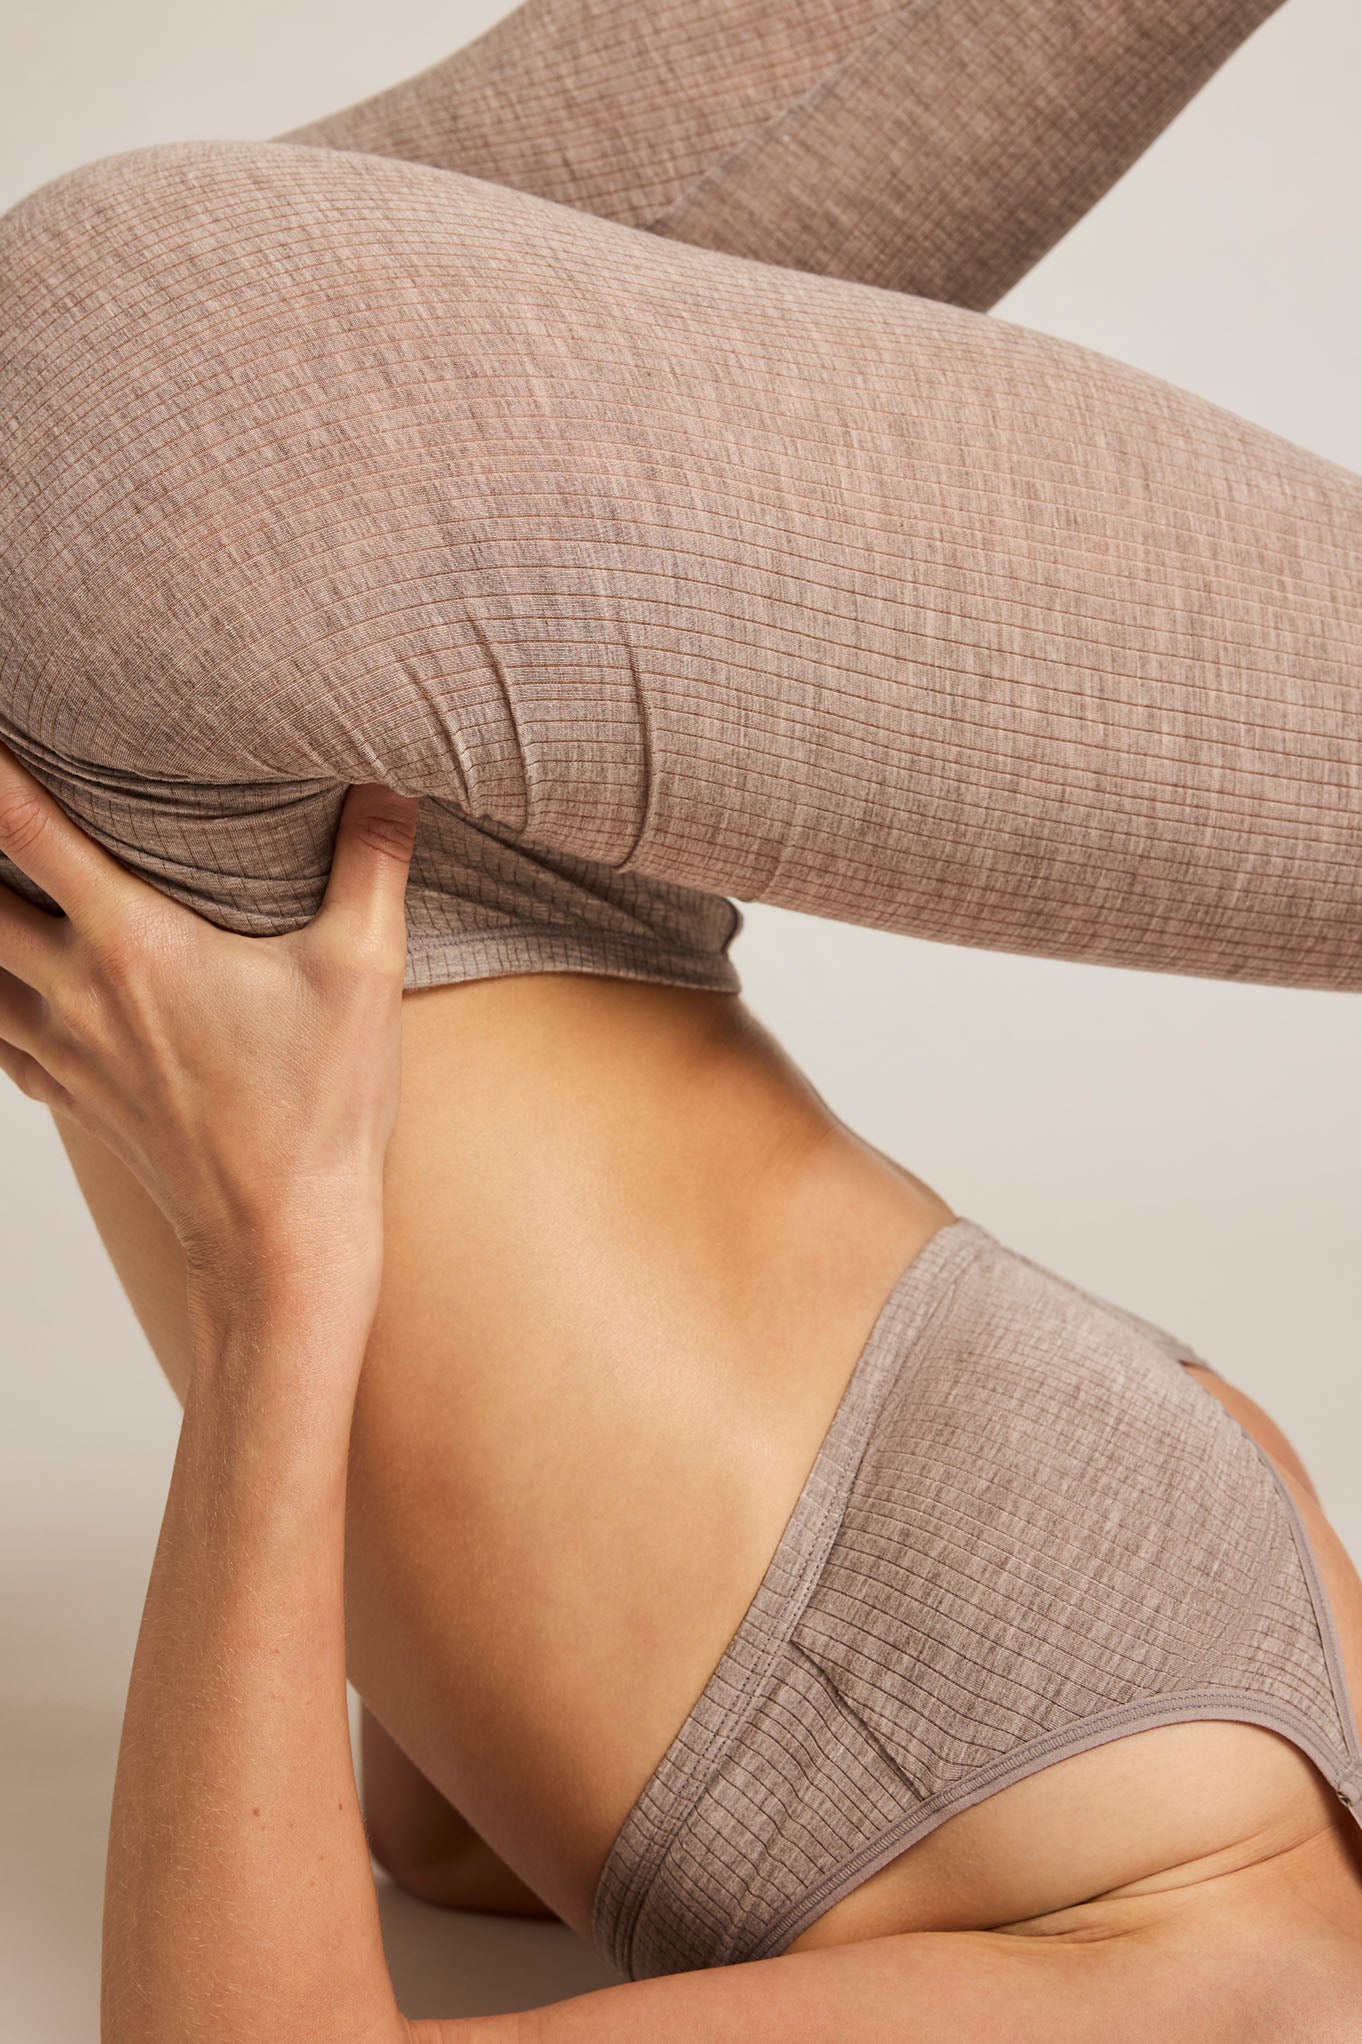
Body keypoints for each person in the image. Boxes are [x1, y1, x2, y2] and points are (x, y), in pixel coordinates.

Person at [0, 2, 1359, 2037]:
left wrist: (274, 1261)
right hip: (312, 650)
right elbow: (459, 1820)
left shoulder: (1260, 1985)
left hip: (218, 588)